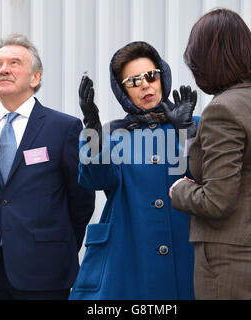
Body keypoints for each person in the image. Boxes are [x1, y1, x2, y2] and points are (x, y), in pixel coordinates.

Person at [167, 8, 251, 300]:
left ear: (209, 62)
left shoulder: (222, 109)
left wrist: (181, 191)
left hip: (232, 264)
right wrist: (190, 135)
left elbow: (216, 201)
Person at [0, 33, 95, 300]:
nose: (3, 69)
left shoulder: (64, 128)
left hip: (45, 270)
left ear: (35, 78)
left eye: (14, 63)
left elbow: (81, 200)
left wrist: (55, 244)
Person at [69, 41, 199, 299]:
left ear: (162, 76)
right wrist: (92, 129)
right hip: (128, 259)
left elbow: (207, 179)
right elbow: (95, 179)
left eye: (151, 76)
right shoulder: (111, 134)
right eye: (133, 81)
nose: (144, 85)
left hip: (188, 255)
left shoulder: (193, 124)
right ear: (122, 91)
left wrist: (186, 134)